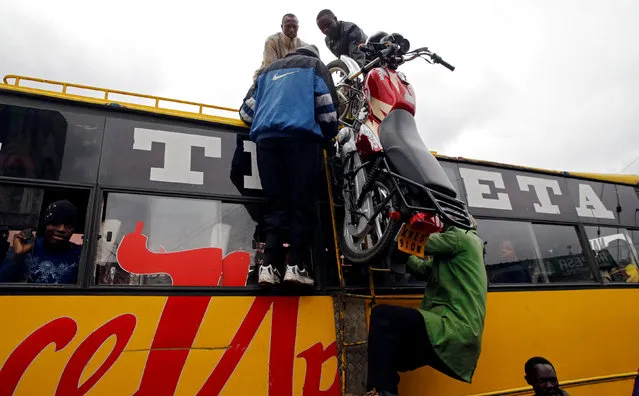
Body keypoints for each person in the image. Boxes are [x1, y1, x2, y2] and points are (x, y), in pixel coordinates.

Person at [239, 44, 338, 287]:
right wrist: (328, 135)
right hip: (302, 141)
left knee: (275, 204)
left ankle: (268, 268)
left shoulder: (267, 71)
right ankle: (297, 265)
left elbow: (245, 113)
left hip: (267, 143)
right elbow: (327, 111)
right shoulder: (316, 66)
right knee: (301, 202)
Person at [365, 218, 487, 396]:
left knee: (382, 315)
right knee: (387, 356)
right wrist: (407, 257)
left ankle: (383, 393)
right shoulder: (464, 247)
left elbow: (417, 242)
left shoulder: (461, 236)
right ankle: (382, 389)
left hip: (453, 326)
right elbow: (424, 269)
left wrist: (394, 225)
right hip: (462, 333)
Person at [0, 200, 81, 284]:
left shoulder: (80, 254)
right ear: (46, 224)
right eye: (55, 223)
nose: (62, 229)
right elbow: (2, 283)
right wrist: (17, 256)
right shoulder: (29, 246)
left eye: (69, 226)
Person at [254, 13, 307, 79]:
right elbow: (271, 70)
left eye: (294, 27)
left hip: (294, 80)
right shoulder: (271, 41)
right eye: (288, 26)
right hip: (269, 79)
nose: (291, 30)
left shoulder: (304, 47)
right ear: (282, 27)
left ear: (298, 27)